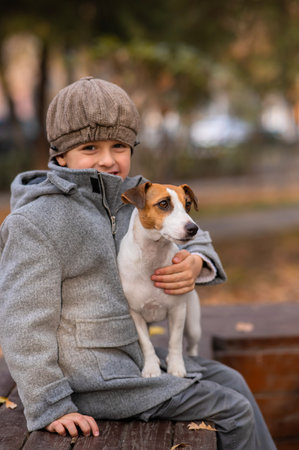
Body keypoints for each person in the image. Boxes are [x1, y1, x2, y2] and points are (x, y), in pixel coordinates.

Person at [0, 77, 276, 449]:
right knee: (232, 409)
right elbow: (22, 320)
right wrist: (50, 403)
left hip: (132, 357)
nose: (108, 159)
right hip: (91, 381)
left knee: (234, 381)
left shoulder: (133, 195)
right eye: (89, 147)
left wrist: (196, 262)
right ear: (60, 155)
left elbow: (195, 232)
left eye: (119, 145)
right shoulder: (38, 222)